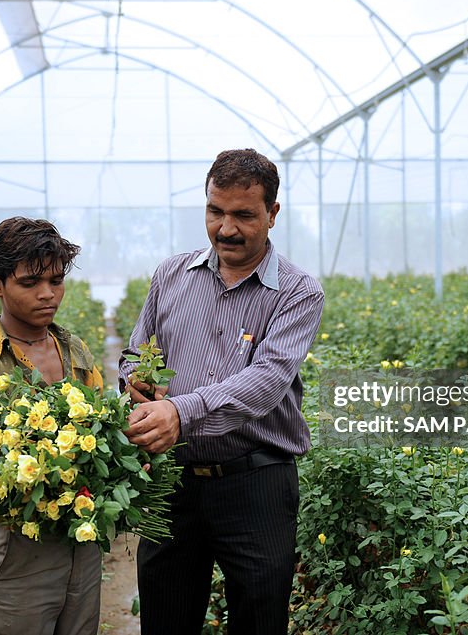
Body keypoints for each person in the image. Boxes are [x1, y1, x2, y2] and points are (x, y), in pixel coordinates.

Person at [120, 148, 325, 634]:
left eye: (243, 215)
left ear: (273, 214)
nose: (226, 229)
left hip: (256, 483)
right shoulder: (171, 275)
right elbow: (134, 354)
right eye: (216, 211)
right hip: (172, 483)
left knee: (258, 617)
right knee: (166, 615)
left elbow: (266, 382)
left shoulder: (298, 292)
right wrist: (134, 385)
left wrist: (180, 412)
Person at [0, 216, 104, 635]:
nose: (48, 294)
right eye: (31, 282)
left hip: (82, 539)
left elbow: (104, 429)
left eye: (56, 280)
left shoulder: (75, 351)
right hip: (21, 545)